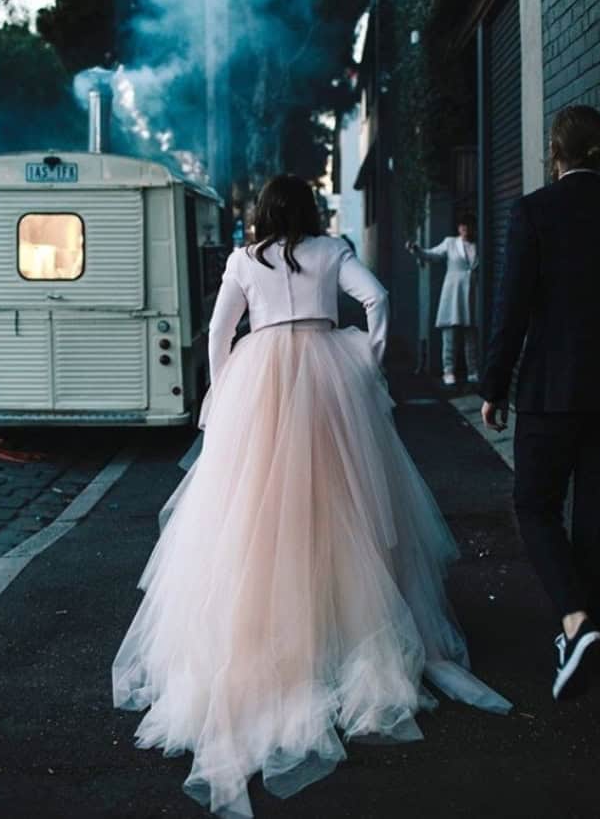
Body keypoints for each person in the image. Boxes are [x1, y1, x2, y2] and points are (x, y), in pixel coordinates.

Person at [112, 175, 511, 818]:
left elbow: (219, 331)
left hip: (262, 383)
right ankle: (343, 633)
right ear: (309, 210)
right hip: (329, 379)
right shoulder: (332, 251)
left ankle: (269, 637)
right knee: (339, 507)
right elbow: (378, 300)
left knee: (254, 514)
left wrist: (226, 388)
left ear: (264, 213)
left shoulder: (245, 259)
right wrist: (367, 362)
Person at [480, 104, 600, 702]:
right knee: (598, 518)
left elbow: (512, 307)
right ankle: (582, 636)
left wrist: (493, 385)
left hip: (551, 392)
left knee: (535, 504)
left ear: (555, 152)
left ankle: (574, 623)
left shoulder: (533, 212)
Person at [406, 215, 479, 386]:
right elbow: (431, 255)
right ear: (458, 228)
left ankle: (473, 371)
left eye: (468, 226)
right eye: (462, 225)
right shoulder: (450, 243)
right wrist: (416, 249)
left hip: (472, 293)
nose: (465, 229)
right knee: (450, 334)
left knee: (471, 335)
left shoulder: (477, 245)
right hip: (453, 294)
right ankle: (448, 371)